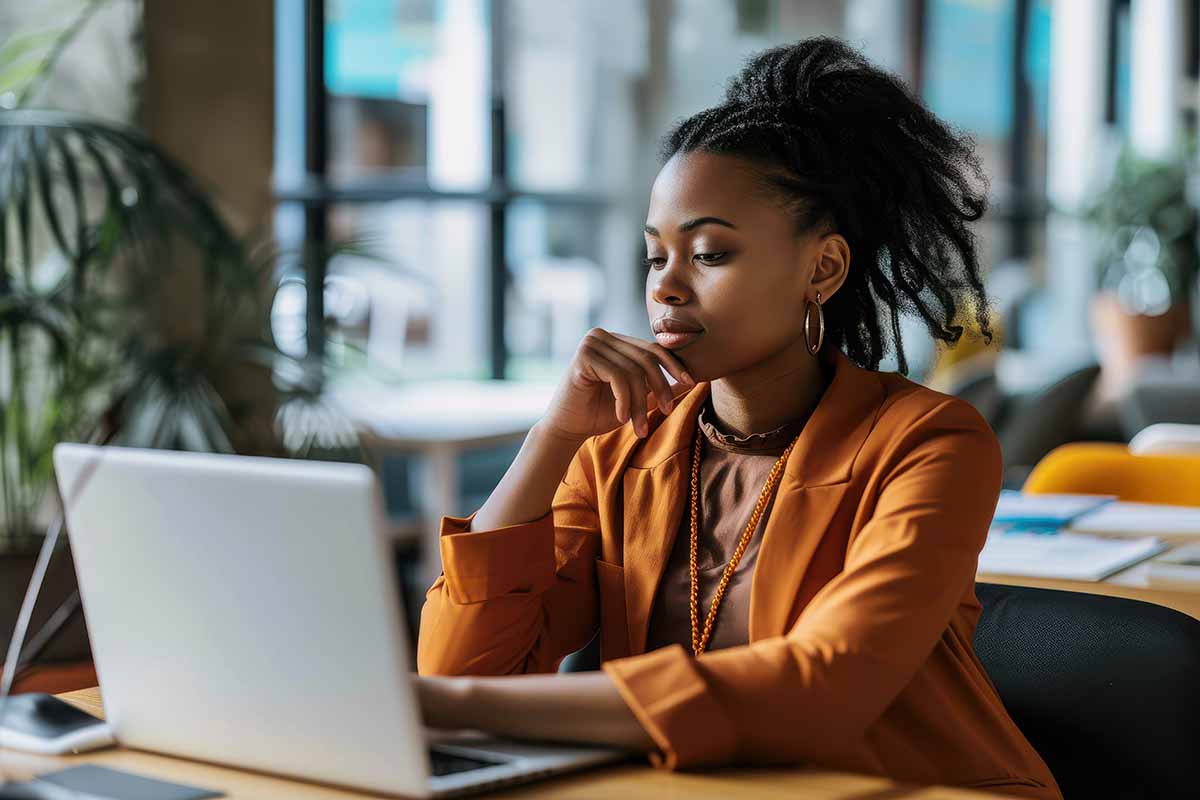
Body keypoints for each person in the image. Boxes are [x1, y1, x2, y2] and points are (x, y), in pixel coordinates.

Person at [414, 37, 1062, 799]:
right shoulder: (623, 445)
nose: (668, 289)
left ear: (821, 269)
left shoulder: (930, 445)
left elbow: (823, 688)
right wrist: (552, 437)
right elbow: (464, 666)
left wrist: (446, 705)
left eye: (711, 254)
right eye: (656, 257)